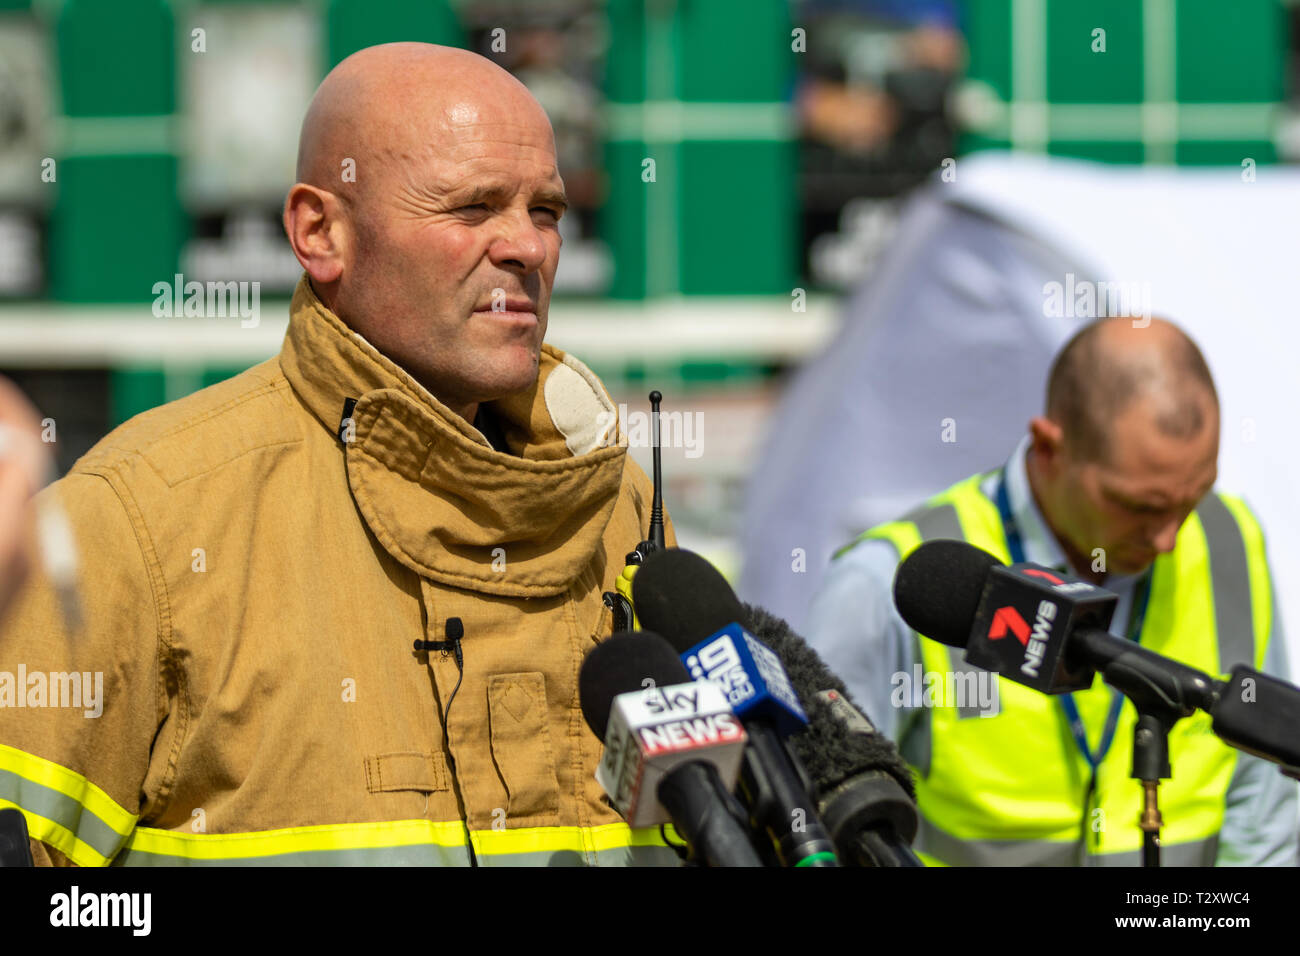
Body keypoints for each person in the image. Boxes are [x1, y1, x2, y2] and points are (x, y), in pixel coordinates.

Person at [0, 43, 680, 867]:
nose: (528, 249)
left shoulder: (621, 509)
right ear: (320, 232)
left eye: (546, 212)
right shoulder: (133, 523)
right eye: (471, 208)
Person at [806, 316, 1298, 865]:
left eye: (1194, 496)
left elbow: (1264, 815)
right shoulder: (888, 580)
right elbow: (823, 816)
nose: (1167, 537)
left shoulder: (1228, 539)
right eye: (1138, 505)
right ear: (1048, 446)